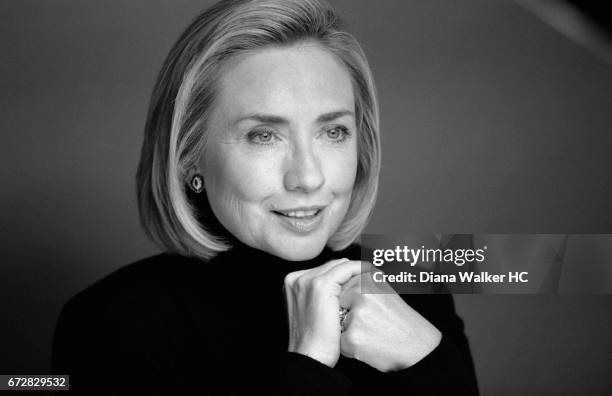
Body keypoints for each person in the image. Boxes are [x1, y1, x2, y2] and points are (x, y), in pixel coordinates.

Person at [52, 0, 479, 394]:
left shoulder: (419, 289)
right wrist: (308, 367)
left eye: (333, 131)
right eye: (264, 135)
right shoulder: (108, 323)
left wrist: (429, 359)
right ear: (188, 159)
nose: (308, 177)